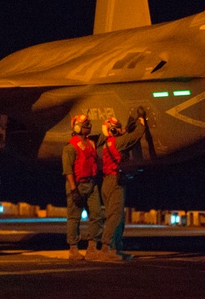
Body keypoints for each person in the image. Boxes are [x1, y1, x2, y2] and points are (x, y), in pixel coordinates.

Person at [99, 109, 147, 261]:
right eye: (117, 128)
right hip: (115, 182)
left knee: (118, 215)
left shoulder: (109, 143)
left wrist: (126, 127)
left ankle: (116, 249)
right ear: (112, 130)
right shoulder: (118, 143)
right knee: (116, 216)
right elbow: (135, 136)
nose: (120, 130)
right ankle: (107, 248)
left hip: (109, 182)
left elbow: (125, 135)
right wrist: (141, 121)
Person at [62, 114, 104, 261]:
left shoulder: (91, 143)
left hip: (91, 183)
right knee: (74, 217)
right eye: (85, 123)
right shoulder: (70, 146)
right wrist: (73, 189)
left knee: (97, 215)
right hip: (78, 185)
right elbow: (68, 170)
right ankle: (73, 249)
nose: (89, 125)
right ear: (77, 127)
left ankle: (92, 248)